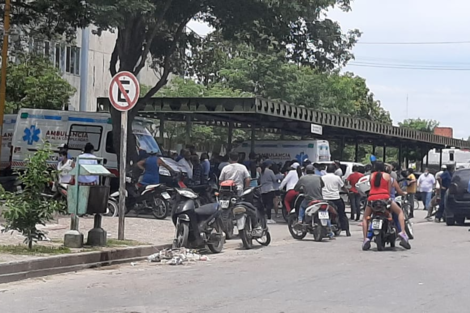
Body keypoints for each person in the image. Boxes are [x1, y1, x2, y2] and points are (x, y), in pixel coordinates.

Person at [362, 161, 411, 251]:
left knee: (365, 218)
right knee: (399, 212)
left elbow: (371, 187)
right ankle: (402, 233)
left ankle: (366, 239)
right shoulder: (388, 176)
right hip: (385, 199)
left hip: (372, 199)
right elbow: (388, 191)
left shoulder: (371, 176)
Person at [322, 164, 350, 236]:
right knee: (342, 214)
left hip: (325, 199)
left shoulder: (322, 177)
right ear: (334, 170)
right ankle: (347, 230)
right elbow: (343, 187)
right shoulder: (337, 178)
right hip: (336, 198)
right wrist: (347, 192)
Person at [260, 160, 278, 224]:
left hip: (262, 189)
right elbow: (274, 179)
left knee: (264, 204)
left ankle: (263, 218)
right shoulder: (270, 171)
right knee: (269, 204)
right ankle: (269, 218)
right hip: (269, 189)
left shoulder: (261, 171)